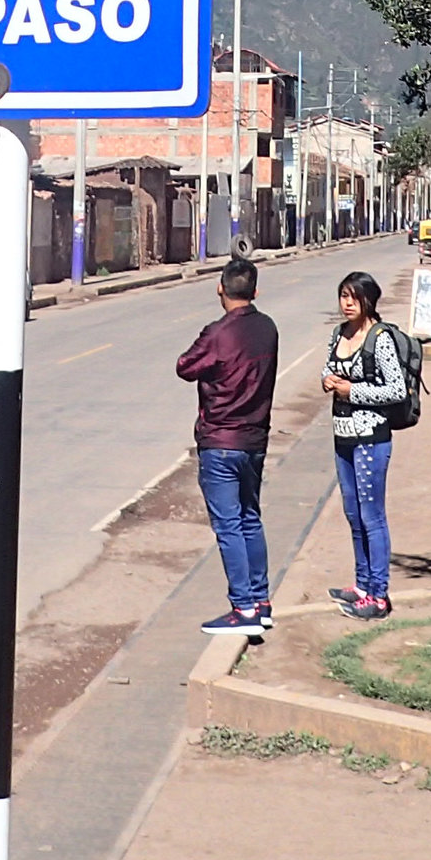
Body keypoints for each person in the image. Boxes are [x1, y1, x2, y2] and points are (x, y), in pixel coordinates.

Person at [176, 256, 279, 635]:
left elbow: (185, 366)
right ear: (254, 291)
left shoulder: (218, 333)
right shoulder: (267, 328)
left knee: (229, 525)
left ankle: (244, 607)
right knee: (250, 518)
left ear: (220, 288)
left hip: (220, 440)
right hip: (254, 439)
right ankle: (261, 599)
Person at [322, 271, 407, 620]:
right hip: (342, 437)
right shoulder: (337, 334)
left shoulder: (380, 338)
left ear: (369, 300)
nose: (346, 303)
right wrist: (327, 380)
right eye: (343, 296)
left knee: (372, 517)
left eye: (353, 297)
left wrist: (351, 391)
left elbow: (396, 390)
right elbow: (328, 367)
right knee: (353, 515)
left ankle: (379, 595)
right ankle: (361, 585)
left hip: (371, 439)